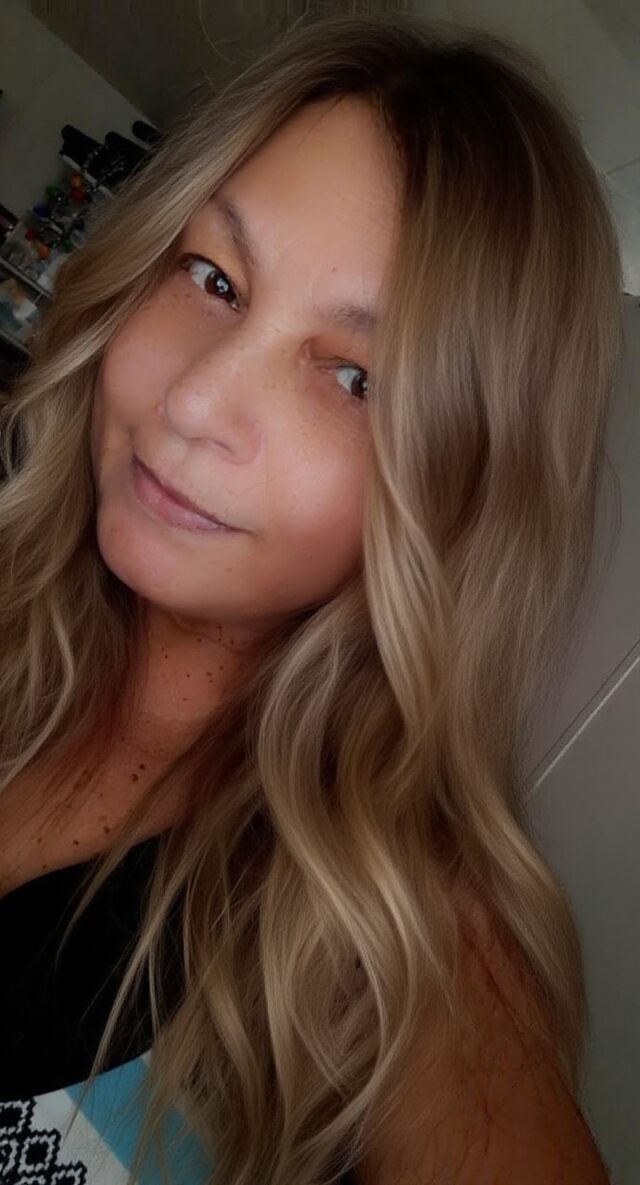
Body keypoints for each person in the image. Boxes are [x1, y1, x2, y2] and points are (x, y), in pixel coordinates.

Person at [0, 9, 623, 1185]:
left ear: (459, 493)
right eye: (214, 278)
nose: (194, 403)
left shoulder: (394, 951)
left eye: (354, 378)